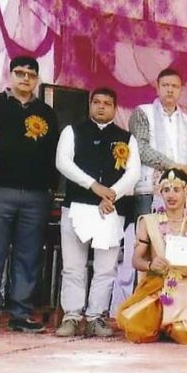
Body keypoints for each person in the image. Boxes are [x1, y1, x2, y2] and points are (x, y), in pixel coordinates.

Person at [0, 56, 60, 334]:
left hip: (36, 196)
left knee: (29, 257)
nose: (25, 78)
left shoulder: (46, 113)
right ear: (10, 75)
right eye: (19, 73)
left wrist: (49, 189)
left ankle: (21, 314)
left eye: (31, 75)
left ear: (37, 79)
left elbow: (54, 155)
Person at [54, 87, 141, 338]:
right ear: (90, 105)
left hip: (111, 210)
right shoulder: (72, 131)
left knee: (105, 268)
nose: (101, 106)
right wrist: (94, 186)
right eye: (97, 102)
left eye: (107, 103)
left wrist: (111, 194)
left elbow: (133, 173)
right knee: (73, 266)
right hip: (77, 206)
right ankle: (72, 316)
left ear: (115, 108)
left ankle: (96, 317)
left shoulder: (126, 138)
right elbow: (63, 163)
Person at [117, 168, 187, 344]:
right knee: (138, 331)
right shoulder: (148, 222)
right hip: (157, 286)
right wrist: (150, 265)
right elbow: (136, 260)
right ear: (160, 193)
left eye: (176, 189)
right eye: (166, 190)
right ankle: (160, 323)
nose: (171, 195)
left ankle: (171, 325)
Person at [127, 67, 187, 218]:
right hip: (149, 190)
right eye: (165, 85)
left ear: (180, 90)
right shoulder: (143, 112)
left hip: (180, 190)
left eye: (175, 86)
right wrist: (172, 166)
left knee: (180, 231)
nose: (170, 90)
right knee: (149, 231)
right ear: (157, 88)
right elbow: (141, 148)